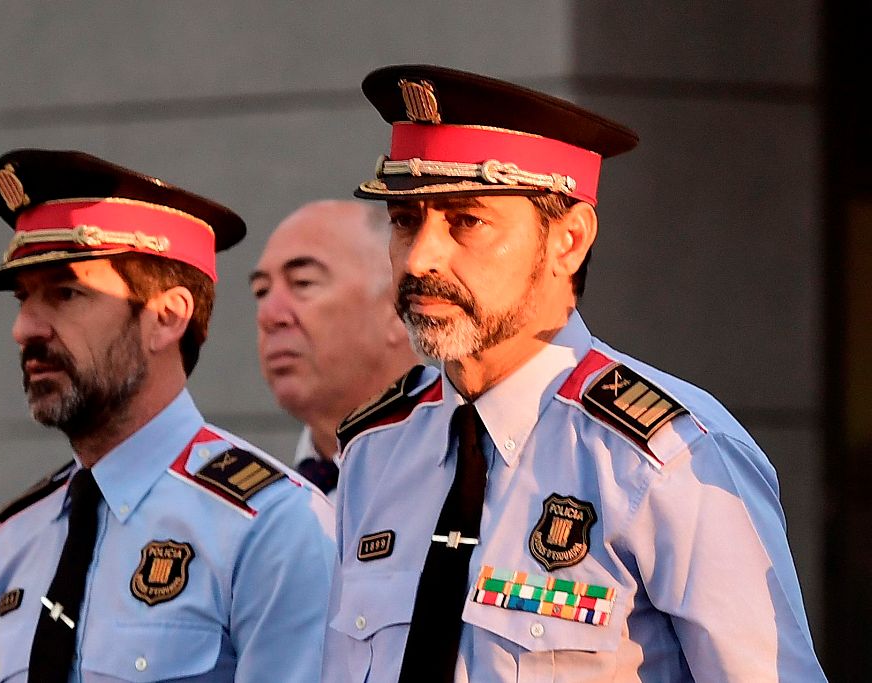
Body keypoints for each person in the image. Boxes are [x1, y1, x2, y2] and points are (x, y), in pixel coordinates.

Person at [321, 65, 826, 682]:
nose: (421, 257)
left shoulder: (668, 458)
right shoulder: (375, 449)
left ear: (568, 240)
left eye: (466, 221)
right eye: (405, 220)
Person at [0, 149, 334, 683]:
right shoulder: (23, 533)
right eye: (23, 298)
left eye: (66, 293)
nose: (24, 329)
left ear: (166, 317)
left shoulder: (272, 526)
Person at [250, 200, 419, 497]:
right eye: (261, 291)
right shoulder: (262, 501)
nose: (269, 315)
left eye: (303, 282)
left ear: (398, 310)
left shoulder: (473, 472)